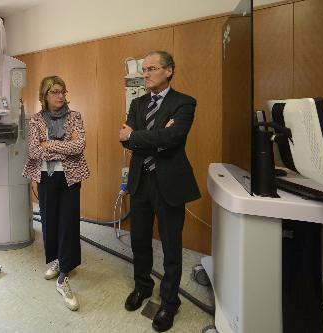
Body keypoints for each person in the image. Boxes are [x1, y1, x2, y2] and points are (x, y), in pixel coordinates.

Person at [119, 50, 200, 332]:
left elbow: (173, 137)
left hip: (169, 183)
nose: (146, 74)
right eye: (144, 70)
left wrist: (138, 137)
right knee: (139, 240)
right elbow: (125, 140)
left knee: (171, 246)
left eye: (151, 68)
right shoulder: (138, 103)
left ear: (169, 70)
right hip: (141, 181)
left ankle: (169, 302)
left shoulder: (184, 103)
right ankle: (142, 287)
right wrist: (154, 139)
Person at [22, 75, 89, 311]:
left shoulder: (75, 117)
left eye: (63, 91)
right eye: (55, 92)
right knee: (50, 222)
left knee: (68, 223)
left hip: (70, 177)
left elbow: (78, 146)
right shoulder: (36, 120)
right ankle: (58, 261)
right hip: (47, 178)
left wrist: (48, 145)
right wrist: (62, 146)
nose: (60, 96)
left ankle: (64, 276)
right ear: (45, 95)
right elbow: (32, 151)